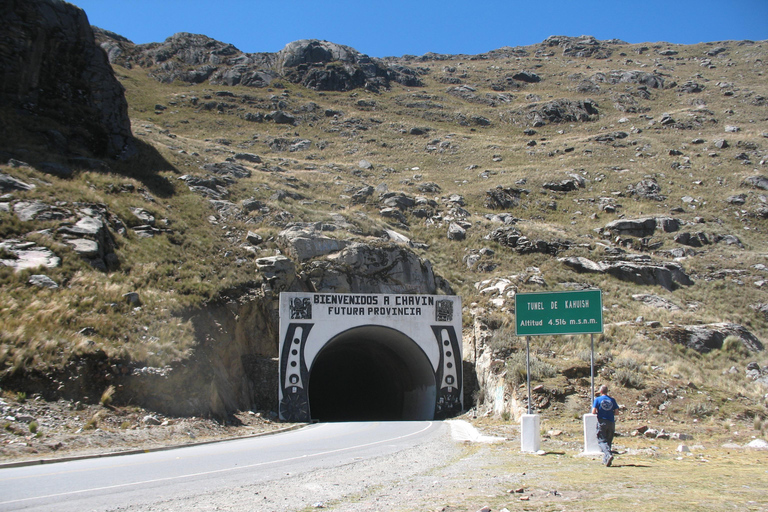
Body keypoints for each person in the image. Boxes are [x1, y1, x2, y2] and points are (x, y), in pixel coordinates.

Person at [591, 384, 619, 466]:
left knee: (601, 440)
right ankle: (606, 460)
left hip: (602, 422)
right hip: (611, 422)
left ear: (600, 391)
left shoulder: (598, 399)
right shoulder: (612, 400)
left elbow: (593, 411)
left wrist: (599, 412)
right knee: (609, 441)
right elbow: (617, 412)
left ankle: (608, 454)